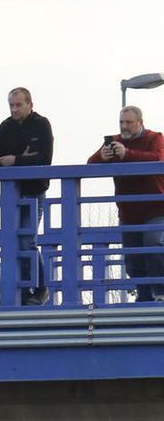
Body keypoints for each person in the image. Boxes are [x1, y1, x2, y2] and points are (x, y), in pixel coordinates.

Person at [90, 106, 164, 304]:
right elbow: (90, 164)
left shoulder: (154, 138)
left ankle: (160, 292)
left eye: (129, 122)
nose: (124, 126)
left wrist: (127, 154)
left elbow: (157, 158)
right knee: (132, 257)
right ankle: (143, 294)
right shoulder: (116, 141)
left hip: (155, 208)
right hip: (128, 211)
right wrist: (102, 158)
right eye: (122, 122)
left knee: (153, 245)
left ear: (140, 123)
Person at [0, 87, 54, 304]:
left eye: (18, 105)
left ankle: (41, 287)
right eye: (11, 105)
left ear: (30, 105)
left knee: (27, 241)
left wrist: (16, 160)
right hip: (11, 195)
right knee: (11, 243)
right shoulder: (5, 127)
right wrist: (24, 157)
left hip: (34, 191)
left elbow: (44, 159)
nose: (14, 109)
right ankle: (23, 291)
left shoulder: (41, 124)